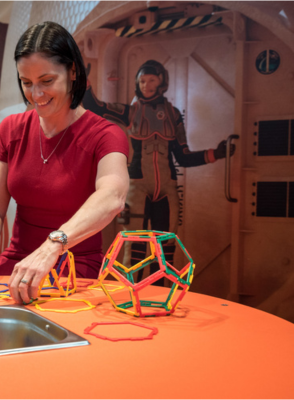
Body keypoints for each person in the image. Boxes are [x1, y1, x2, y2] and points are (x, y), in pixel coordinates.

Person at [0, 22, 130, 304]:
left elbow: (112, 197)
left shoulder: (106, 135)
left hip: (76, 268)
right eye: (26, 83)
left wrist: (53, 246)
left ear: (73, 71)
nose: (36, 94)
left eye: (47, 81)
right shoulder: (12, 129)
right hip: (16, 262)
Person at [82, 60, 235, 284]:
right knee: (135, 244)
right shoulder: (131, 112)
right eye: (142, 81)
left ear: (162, 81)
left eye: (152, 80)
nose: (146, 85)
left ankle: (160, 300)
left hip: (167, 188)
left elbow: (183, 157)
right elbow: (95, 106)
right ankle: (128, 295)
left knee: (165, 247)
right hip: (137, 187)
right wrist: (85, 83)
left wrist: (216, 154)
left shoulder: (173, 115)